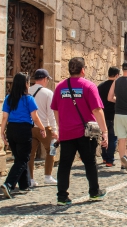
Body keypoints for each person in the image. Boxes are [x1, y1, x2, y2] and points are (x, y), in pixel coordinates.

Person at [51, 57, 109, 205]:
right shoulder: (89, 86)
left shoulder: (60, 87)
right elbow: (97, 110)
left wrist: (60, 127)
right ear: (83, 70)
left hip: (67, 132)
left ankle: (62, 196)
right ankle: (94, 192)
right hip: (86, 133)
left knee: (65, 164)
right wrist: (104, 131)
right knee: (90, 162)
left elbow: (56, 110)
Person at [0, 72, 47, 197]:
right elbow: (35, 117)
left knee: (19, 158)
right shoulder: (28, 99)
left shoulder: (8, 98)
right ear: (25, 84)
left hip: (11, 129)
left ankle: (24, 185)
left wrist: (2, 133)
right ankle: (8, 184)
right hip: (24, 130)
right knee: (23, 159)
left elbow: (5, 117)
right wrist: (42, 128)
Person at [28, 69, 58, 186]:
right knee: (51, 150)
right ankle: (48, 176)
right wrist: (55, 130)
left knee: (30, 154)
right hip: (44, 127)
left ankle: (30, 179)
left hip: (30, 127)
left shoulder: (28, 91)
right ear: (45, 79)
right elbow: (51, 113)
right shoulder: (48, 93)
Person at [96, 67, 120, 167]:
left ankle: (105, 158)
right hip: (114, 115)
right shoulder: (117, 86)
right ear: (117, 75)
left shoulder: (100, 86)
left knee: (104, 136)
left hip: (103, 115)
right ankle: (110, 160)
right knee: (113, 138)